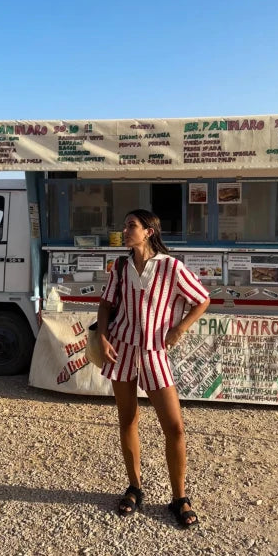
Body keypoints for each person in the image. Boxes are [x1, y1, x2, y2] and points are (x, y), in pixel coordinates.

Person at [96, 209, 210, 527]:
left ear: (148, 231)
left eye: (131, 225)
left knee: (174, 428)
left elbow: (202, 299)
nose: (125, 229)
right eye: (125, 224)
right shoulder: (120, 266)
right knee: (128, 420)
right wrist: (103, 337)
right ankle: (135, 486)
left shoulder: (171, 267)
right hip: (121, 349)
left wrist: (180, 328)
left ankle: (179, 497)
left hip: (154, 352)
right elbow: (105, 304)